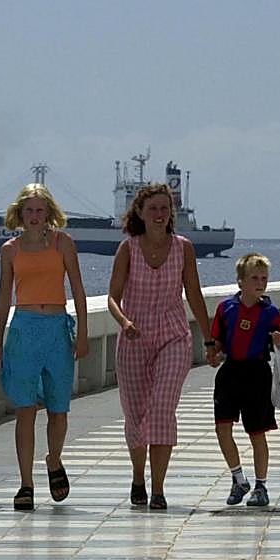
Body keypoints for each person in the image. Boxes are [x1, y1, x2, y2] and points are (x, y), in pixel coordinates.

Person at [107, 183, 212, 510]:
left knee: (163, 407)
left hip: (173, 336)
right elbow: (112, 296)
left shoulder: (183, 248)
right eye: (152, 208)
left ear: (172, 213)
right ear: (139, 212)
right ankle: (138, 476)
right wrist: (124, 321)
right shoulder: (128, 249)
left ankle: (158, 489)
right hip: (134, 336)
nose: (159, 214)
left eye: (164, 208)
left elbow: (194, 294)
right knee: (136, 414)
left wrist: (210, 339)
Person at [0, 184, 89, 510]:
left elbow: (77, 288)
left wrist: (83, 333)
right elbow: (4, 298)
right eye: (29, 211)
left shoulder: (63, 243)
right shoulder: (10, 250)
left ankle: (54, 459)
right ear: (20, 214)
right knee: (25, 410)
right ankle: (26, 484)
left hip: (57, 329)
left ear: (49, 213)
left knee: (59, 410)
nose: (34, 217)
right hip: (24, 329)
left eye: (39, 210)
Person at [206, 253, 280, 508]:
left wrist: (279, 341)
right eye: (254, 278)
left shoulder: (270, 312)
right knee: (222, 428)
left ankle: (261, 485)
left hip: (257, 373)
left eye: (264, 278)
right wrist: (214, 352)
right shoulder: (226, 308)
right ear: (240, 282)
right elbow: (217, 340)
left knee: (257, 432)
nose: (260, 283)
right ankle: (238, 478)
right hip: (230, 372)